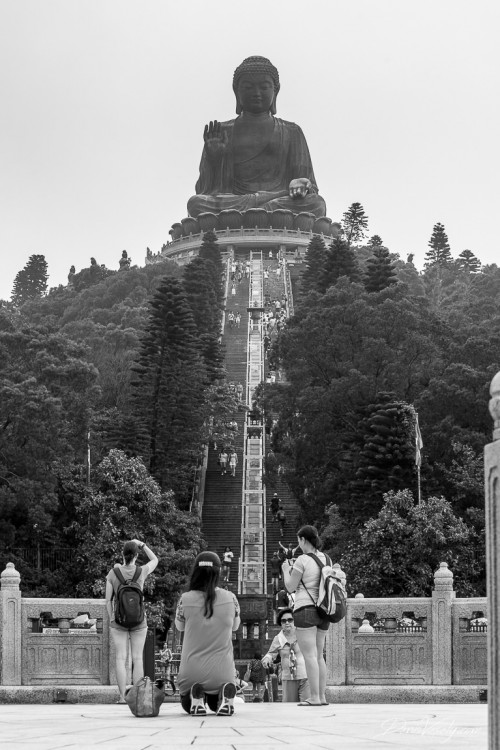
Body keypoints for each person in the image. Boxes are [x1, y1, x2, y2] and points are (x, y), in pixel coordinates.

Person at [187, 56, 326, 219]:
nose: (256, 93)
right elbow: (206, 191)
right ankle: (260, 212)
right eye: (248, 87)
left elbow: (307, 185)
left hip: (278, 201)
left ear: (276, 90)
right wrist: (215, 158)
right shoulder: (222, 132)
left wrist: (302, 183)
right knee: (196, 204)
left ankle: (259, 212)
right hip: (237, 203)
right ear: (236, 90)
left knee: (316, 203)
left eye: (264, 87)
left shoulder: (291, 131)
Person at [175, 551, 240, 716]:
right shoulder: (231, 598)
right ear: (219, 573)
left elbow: (179, 626)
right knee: (214, 704)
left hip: (191, 674)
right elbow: (235, 627)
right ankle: (222, 697)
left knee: (185, 704)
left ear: (195, 572)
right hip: (223, 674)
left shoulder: (185, 599)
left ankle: (197, 698)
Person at [281, 525, 330, 706]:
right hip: (324, 610)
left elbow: (290, 587)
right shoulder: (326, 558)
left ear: (303, 540)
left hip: (305, 609)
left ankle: (314, 697)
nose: (298, 544)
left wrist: (286, 569)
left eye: (298, 540)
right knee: (319, 655)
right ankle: (322, 696)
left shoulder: (302, 560)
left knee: (309, 655)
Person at [105, 539, 158, 703]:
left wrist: (112, 617)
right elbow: (155, 560)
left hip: (119, 621)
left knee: (120, 658)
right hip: (139, 621)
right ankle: (138, 698)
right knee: (137, 658)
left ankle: (122, 697)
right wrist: (143, 545)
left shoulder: (113, 574)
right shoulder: (141, 571)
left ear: (122, 554)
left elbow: (108, 600)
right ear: (136, 555)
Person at [262, 608, 310, 703]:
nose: (287, 622)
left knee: (307, 705)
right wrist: (267, 659)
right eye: (283, 621)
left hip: (305, 676)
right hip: (288, 678)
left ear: (295, 621)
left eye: (290, 620)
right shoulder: (278, 638)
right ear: (281, 623)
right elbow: (271, 653)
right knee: (290, 708)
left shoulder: (303, 634)